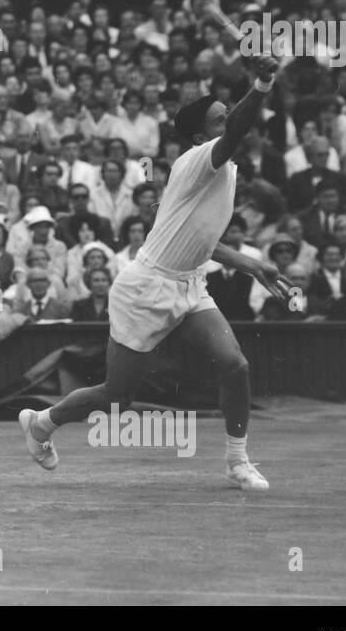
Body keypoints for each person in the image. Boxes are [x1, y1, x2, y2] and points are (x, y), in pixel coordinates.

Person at [18, 52, 287, 491]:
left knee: (235, 366)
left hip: (189, 286)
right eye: (222, 119)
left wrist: (250, 263)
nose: (232, 122)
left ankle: (237, 462)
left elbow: (200, 238)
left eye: (229, 116)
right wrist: (259, 86)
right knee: (116, 396)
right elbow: (240, 127)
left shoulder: (225, 170)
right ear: (201, 136)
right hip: (144, 289)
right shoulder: (199, 159)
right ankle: (42, 422)